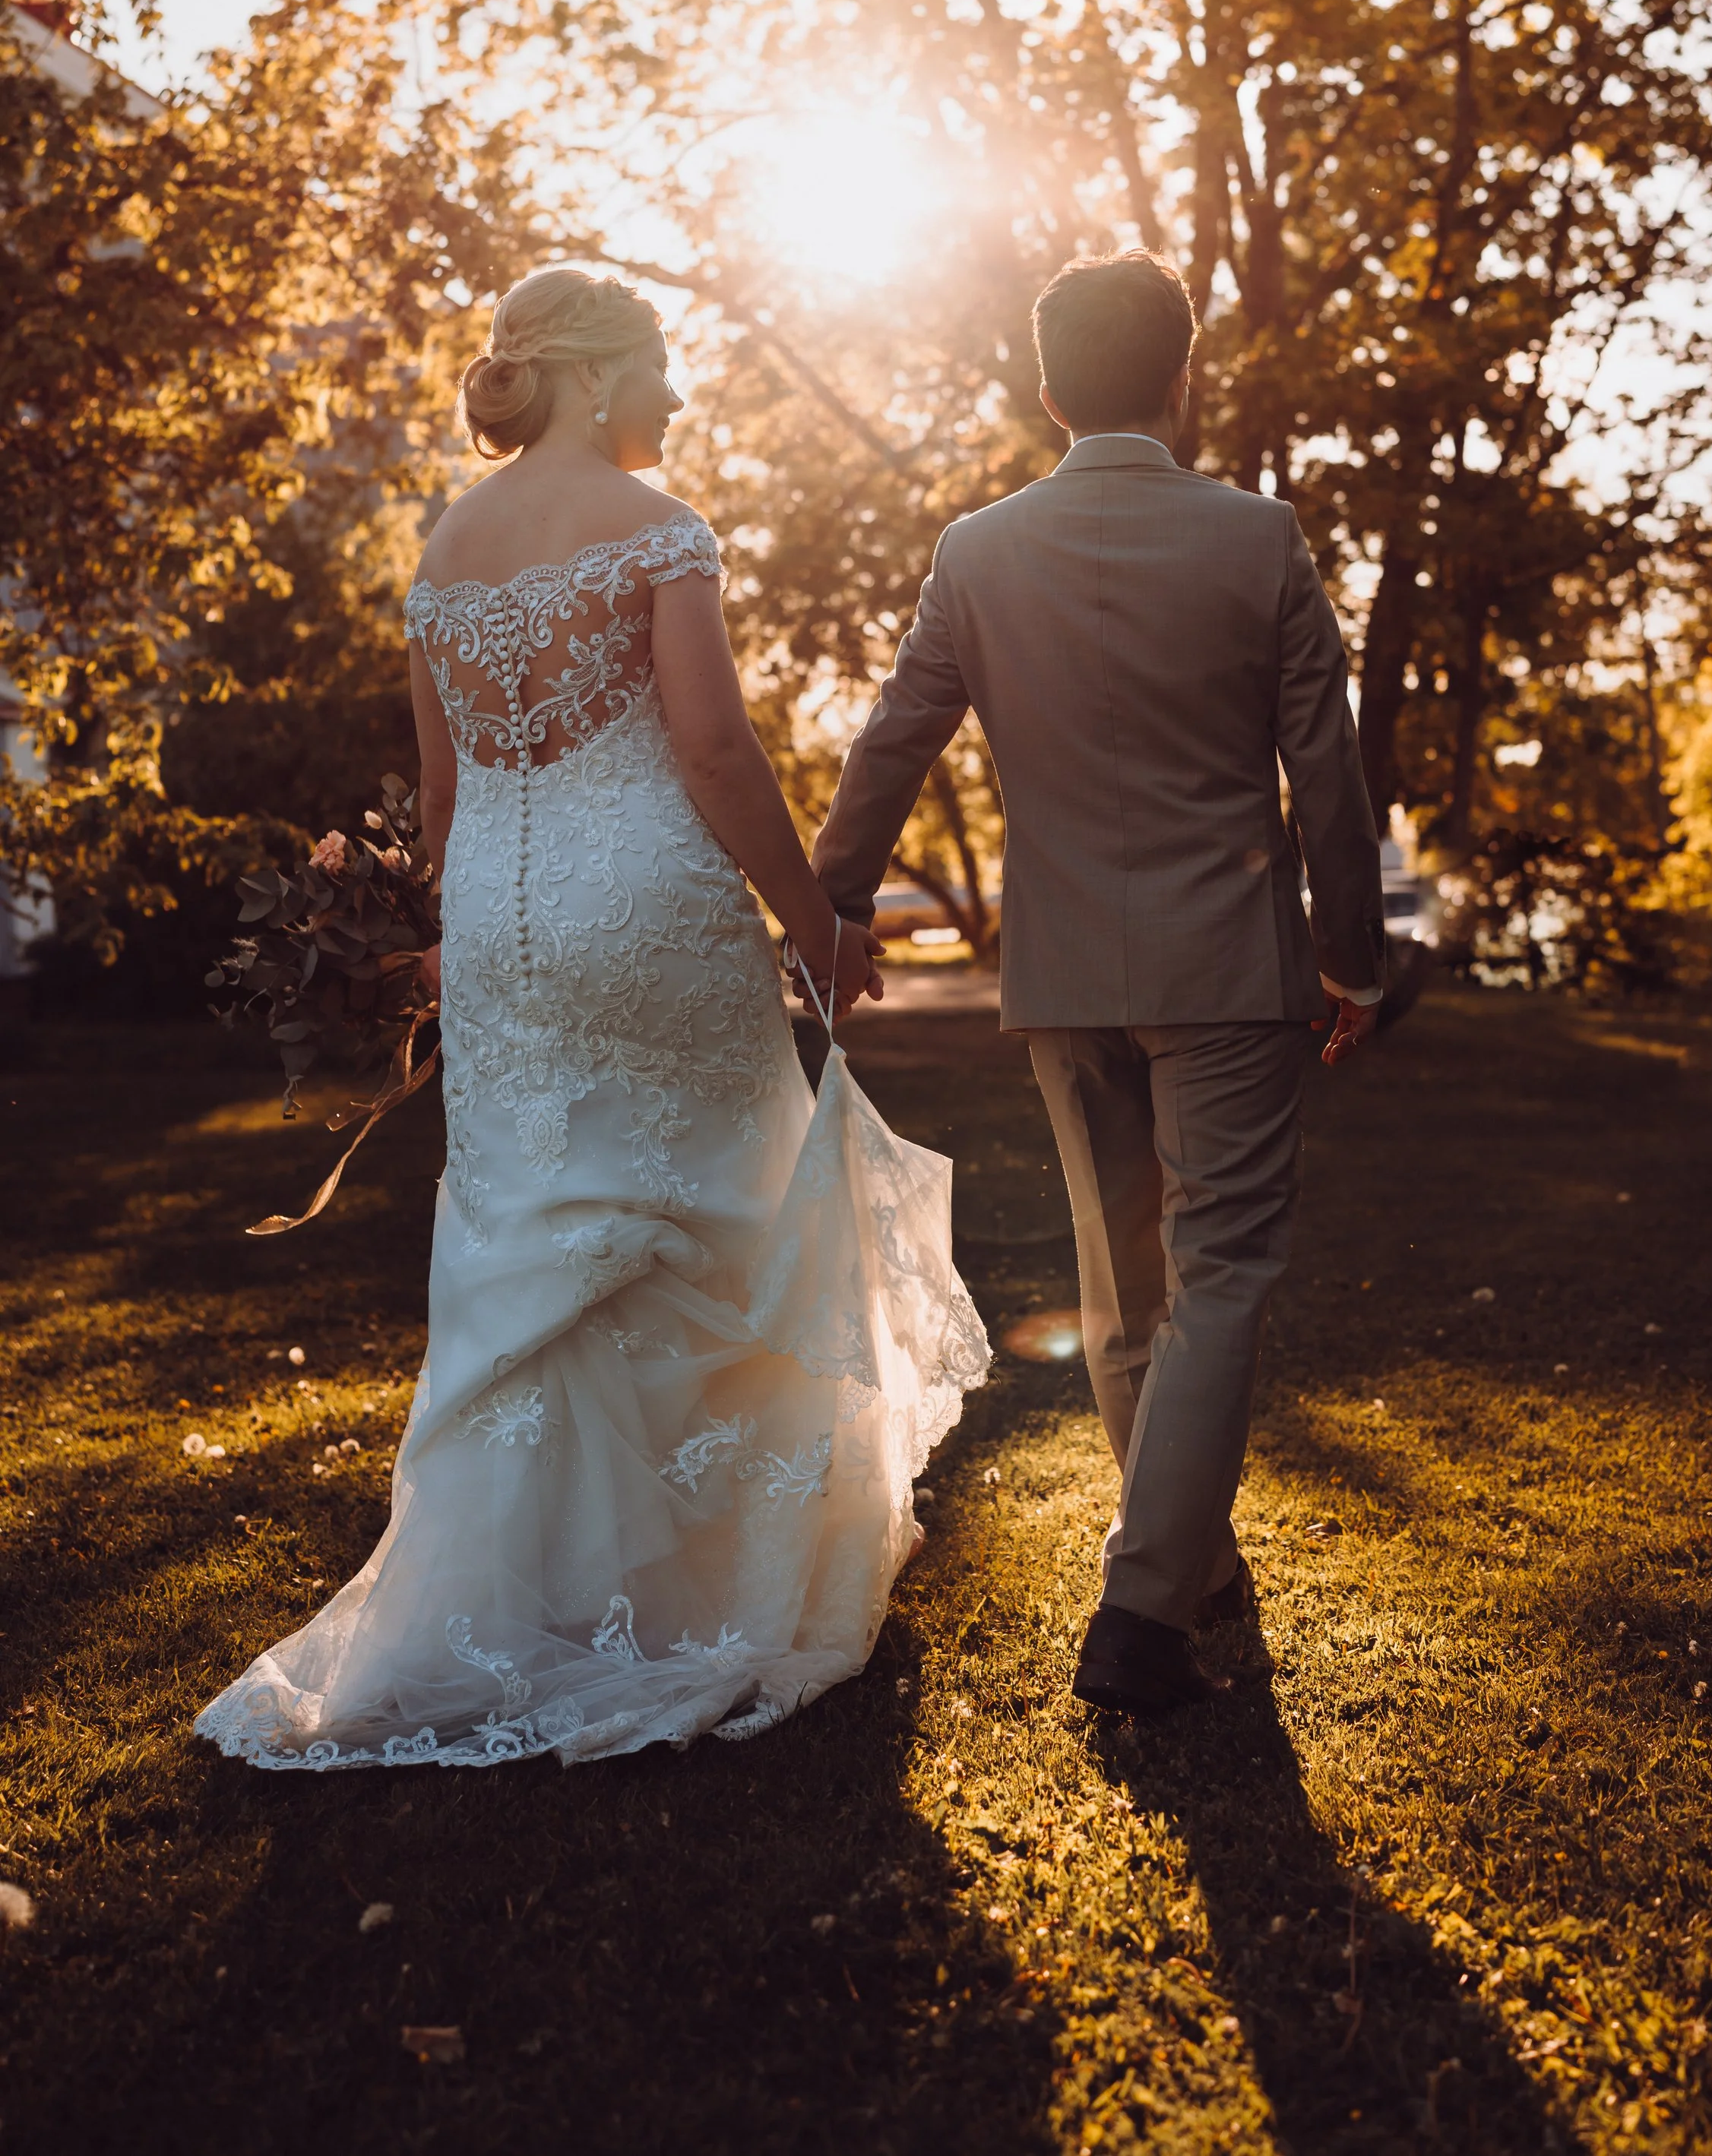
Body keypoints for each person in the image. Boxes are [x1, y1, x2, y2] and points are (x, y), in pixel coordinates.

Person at [196, 266, 985, 1769]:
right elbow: (709, 743)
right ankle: (713, 1583)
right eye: (665, 371)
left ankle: (519, 1606)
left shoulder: (445, 547)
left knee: (527, 1242)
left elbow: (442, 801)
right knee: (722, 1214)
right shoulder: (654, 528)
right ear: (602, 374)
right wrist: (812, 916)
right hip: (650, 904)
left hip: (498, 915)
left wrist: (454, 943)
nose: (678, 401)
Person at [812, 248, 1384, 1717]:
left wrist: (834, 902)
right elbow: (1325, 766)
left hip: (1065, 970)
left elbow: (895, 738)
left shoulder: (979, 549)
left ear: (1050, 387)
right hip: (1228, 974)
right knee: (1226, 1274)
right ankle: (1141, 1614)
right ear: (1184, 376)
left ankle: (1185, 1573)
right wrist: (1355, 957)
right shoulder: (1261, 538)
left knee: (1126, 1290)